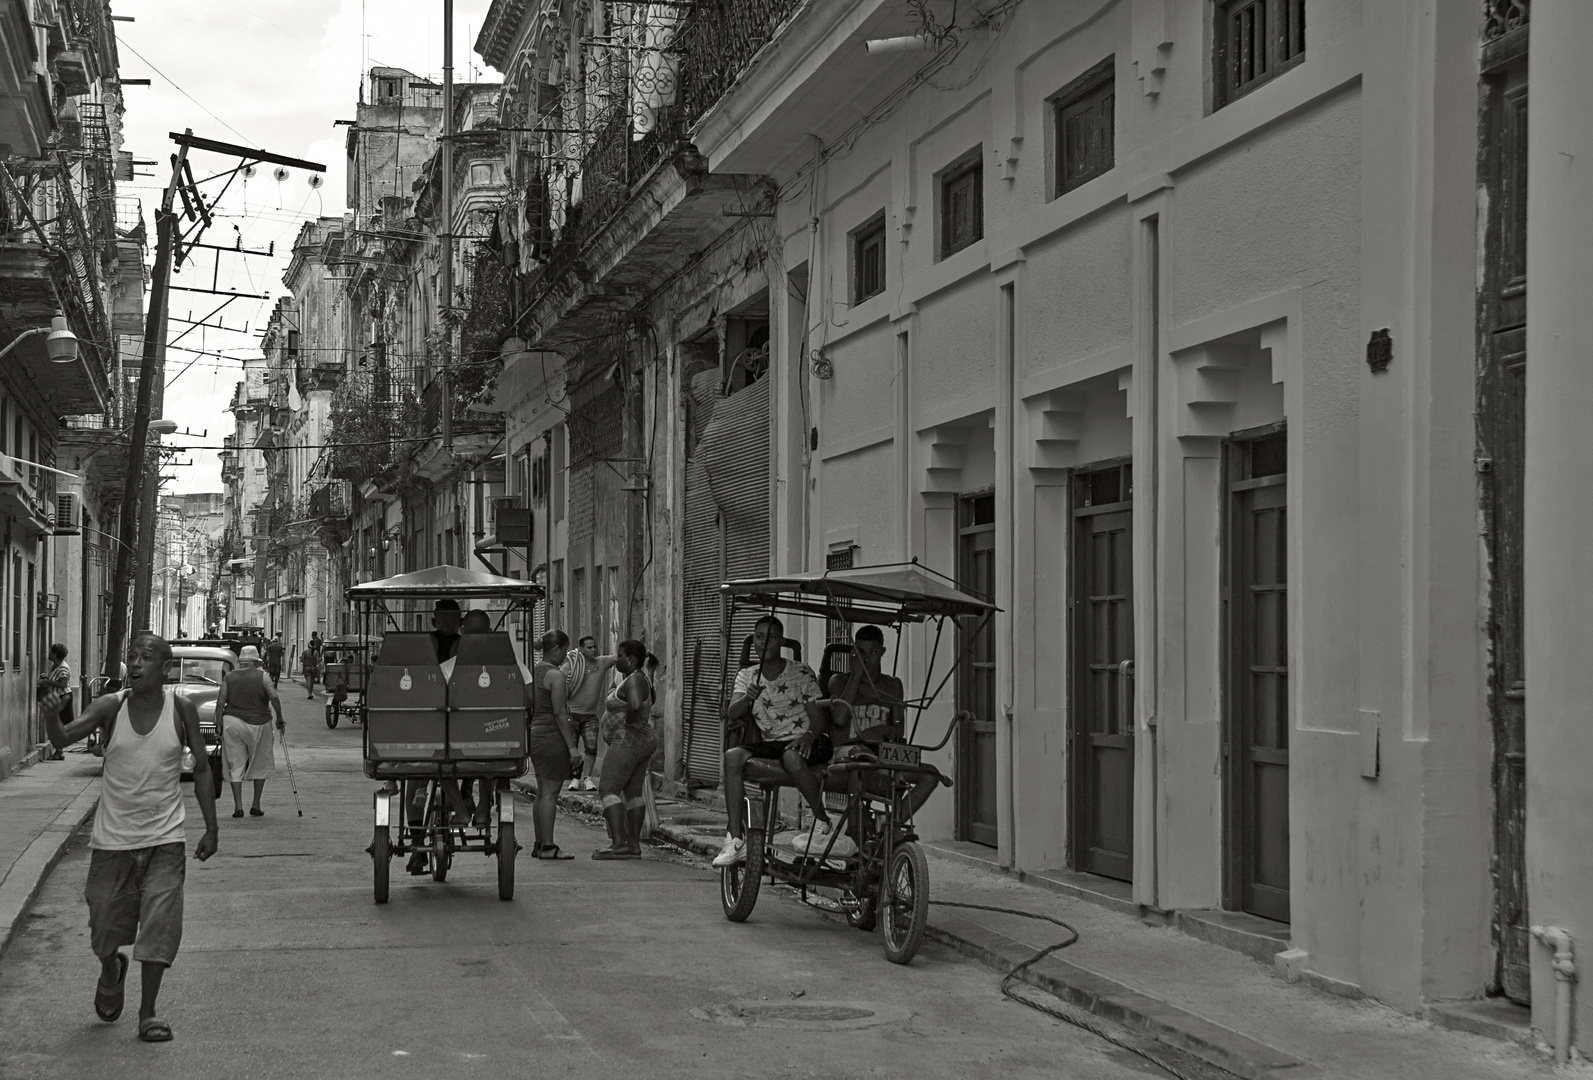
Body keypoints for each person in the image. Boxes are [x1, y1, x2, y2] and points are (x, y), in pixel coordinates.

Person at [38, 633, 218, 1043]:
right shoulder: (109, 707)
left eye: (147, 657)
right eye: (132, 657)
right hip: (112, 842)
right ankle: (110, 968)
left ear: (165, 668)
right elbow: (64, 738)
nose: (136, 664)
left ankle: (148, 1012)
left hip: (165, 841)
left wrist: (211, 826)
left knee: (159, 926)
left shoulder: (182, 709)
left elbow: (203, 768)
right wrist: (51, 716)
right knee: (102, 925)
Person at [712, 616, 831, 868]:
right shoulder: (747, 675)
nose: (764, 643)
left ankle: (822, 822)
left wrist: (808, 736)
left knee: (791, 757)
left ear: (781, 642)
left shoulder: (801, 672)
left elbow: (818, 719)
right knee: (732, 756)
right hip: (773, 742)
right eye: (759, 636)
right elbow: (732, 712)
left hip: (810, 739)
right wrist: (748, 698)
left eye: (772, 637)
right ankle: (734, 839)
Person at [828, 624, 937, 820]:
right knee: (859, 754)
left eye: (872, 652)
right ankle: (855, 828)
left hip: (882, 753)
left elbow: (898, 729)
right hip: (847, 751)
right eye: (862, 653)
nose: (867, 659)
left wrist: (883, 734)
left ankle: (891, 827)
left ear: (882, 652)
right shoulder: (839, 681)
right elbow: (840, 718)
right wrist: (856, 675)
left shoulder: (893, 685)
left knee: (931, 775)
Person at [591, 640, 657, 860]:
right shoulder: (638, 679)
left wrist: (628, 721)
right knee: (633, 793)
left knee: (608, 788)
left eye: (620, 656)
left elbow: (636, 705)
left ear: (631, 659)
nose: (616, 659)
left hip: (628, 741)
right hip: (641, 741)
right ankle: (633, 845)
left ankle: (619, 843)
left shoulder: (635, 679)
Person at [524, 630, 582, 859]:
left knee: (541, 793)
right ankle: (548, 846)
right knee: (550, 793)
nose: (566, 656)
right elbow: (559, 713)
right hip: (550, 736)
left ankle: (539, 844)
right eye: (565, 651)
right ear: (557, 649)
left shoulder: (534, 672)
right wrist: (572, 747)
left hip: (535, 736)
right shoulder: (555, 676)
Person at [214, 645, 286, 818]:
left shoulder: (229, 677)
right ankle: (255, 804)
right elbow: (274, 697)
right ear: (256, 661)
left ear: (241, 661)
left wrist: (218, 725)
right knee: (260, 761)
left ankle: (238, 807)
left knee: (235, 763)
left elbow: (220, 702)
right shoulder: (263, 676)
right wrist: (279, 718)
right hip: (259, 723)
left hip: (232, 722)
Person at [562, 635, 617, 791]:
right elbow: (558, 682)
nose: (593, 650)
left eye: (594, 646)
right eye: (589, 647)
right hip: (571, 713)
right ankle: (575, 778)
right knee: (572, 747)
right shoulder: (570, 666)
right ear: (581, 649)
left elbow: (619, 658)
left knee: (591, 747)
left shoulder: (601, 662)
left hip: (590, 715)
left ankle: (587, 778)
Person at [40, 643, 72, 759]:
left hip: (63, 697)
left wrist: (46, 682)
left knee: (60, 724)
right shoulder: (56, 665)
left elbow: (63, 684)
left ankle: (59, 751)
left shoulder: (63, 667)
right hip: (57, 697)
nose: (48, 654)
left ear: (54, 654)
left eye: (50, 652)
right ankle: (58, 751)